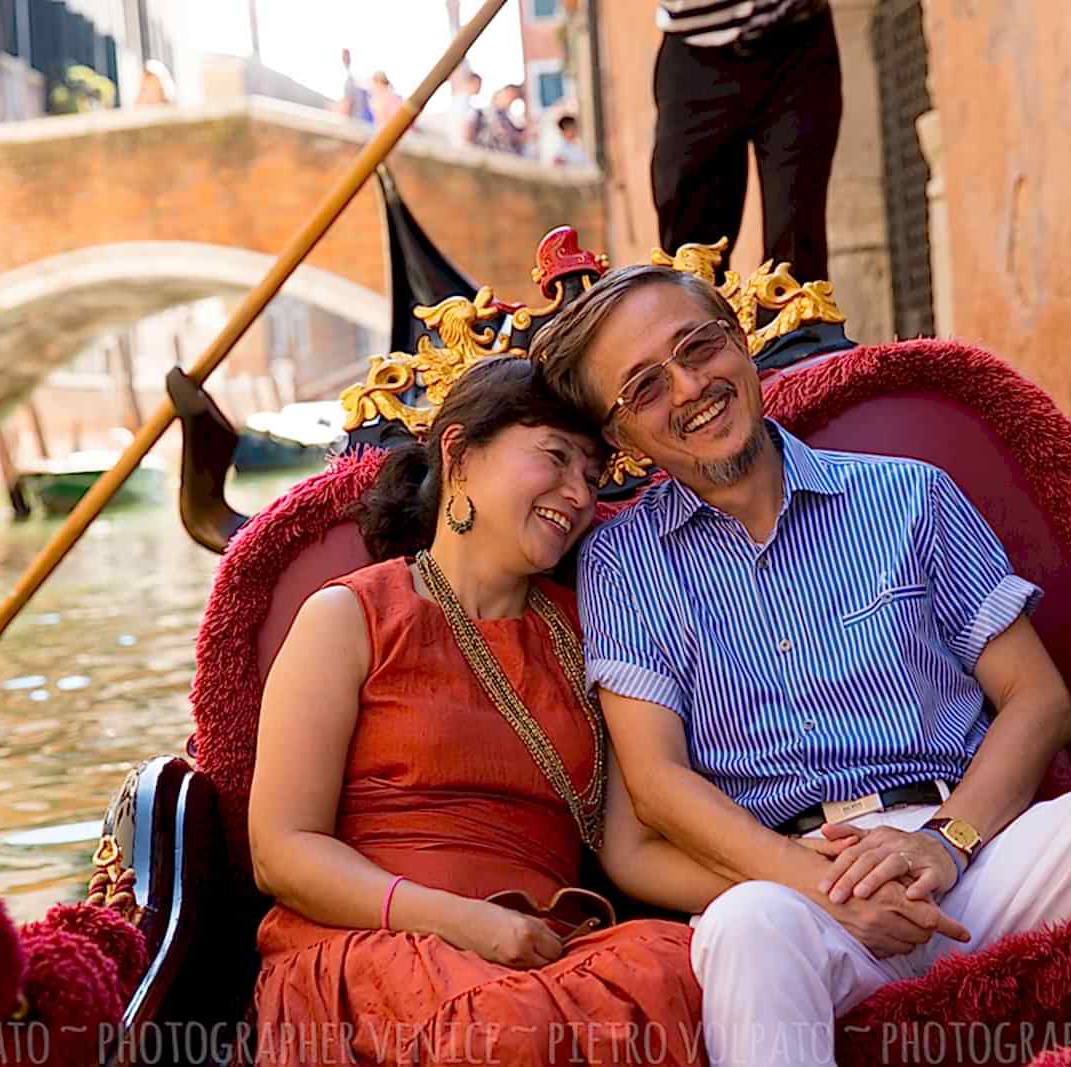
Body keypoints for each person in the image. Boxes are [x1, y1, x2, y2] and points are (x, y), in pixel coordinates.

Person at [529, 265, 1071, 1065]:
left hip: (975, 850)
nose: (690, 385)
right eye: (644, 387)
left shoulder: (910, 494)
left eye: (697, 346)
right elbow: (658, 784)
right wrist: (822, 888)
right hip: (795, 881)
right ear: (623, 438)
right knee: (743, 928)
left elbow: (1036, 699)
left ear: (739, 344)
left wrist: (949, 842)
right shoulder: (623, 563)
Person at [247, 357, 754, 1065]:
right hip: (373, 946)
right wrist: (465, 923)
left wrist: (799, 877)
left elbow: (627, 846)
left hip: (547, 949)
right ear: (458, 453)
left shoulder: (594, 630)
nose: (578, 493)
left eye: (592, 473)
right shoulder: (350, 615)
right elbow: (281, 850)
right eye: (554, 457)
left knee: (686, 968)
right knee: (506, 1026)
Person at [652, 0, 842, 281]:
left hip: (797, 43)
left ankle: (800, 325)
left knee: (795, 249)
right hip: (694, 55)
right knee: (690, 256)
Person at [473, 83, 529, 156]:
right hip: (493, 157)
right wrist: (524, 137)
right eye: (510, 96)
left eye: (514, 98)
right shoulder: (489, 112)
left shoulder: (505, 115)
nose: (511, 100)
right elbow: (504, 136)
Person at [334, 48, 372, 123]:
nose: (344, 59)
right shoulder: (353, 78)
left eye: (345, 56)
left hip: (356, 122)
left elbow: (346, 105)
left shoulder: (352, 80)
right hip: (362, 122)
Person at [448, 69, 483, 146]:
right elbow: (466, 126)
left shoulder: (460, 99)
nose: (480, 87)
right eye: (478, 84)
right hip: (460, 144)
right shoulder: (463, 102)